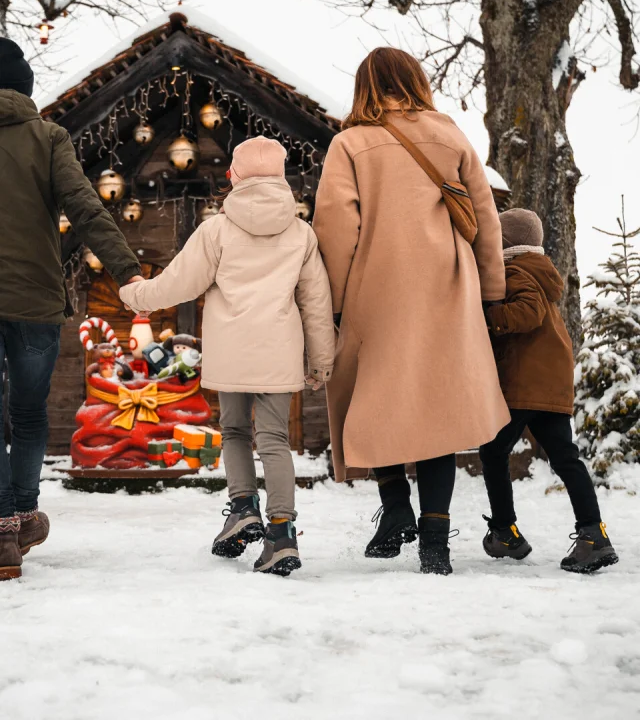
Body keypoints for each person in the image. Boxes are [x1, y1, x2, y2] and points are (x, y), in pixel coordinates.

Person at [313, 47, 509, 575]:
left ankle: (397, 506)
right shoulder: (450, 135)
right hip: (449, 287)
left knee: (370, 395)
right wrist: (491, 292)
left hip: (376, 287)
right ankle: (435, 543)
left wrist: (329, 303)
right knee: (436, 408)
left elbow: (336, 229)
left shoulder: (349, 144)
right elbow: (486, 220)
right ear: (416, 81)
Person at [119, 136, 335, 576]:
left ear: (234, 176)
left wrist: (134, 294)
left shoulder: (216, 229)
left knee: (234, 431)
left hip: (232, 349)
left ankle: (242, 509)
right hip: (279, 351)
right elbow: (316, 303)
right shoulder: (301, 233)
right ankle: (281, 534)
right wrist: (321, 360)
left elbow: (178, 283)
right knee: (274, 440)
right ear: (282, 179)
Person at [0, 37, 143, 581]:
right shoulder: (47, 136)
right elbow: (85, 207)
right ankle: (21, 515)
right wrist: (127, 270)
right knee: (30, 413)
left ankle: (1, 533)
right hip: (34, 298)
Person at [480, 208, 619, 574]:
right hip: (552, 382)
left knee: (493, 451)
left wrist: (487, 318)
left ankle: (505, 532)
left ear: (505, 242)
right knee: (565, 459)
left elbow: (527, 313)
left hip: (524, 383)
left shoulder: (515, 272)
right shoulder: (542, 273)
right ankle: (594, 534)